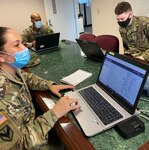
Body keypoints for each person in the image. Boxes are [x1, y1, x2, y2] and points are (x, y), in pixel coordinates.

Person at [0, 26, 80, 149]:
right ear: (1, 55)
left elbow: (26, 77)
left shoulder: (10, 69)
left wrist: (49, 85)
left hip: (34, 124)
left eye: (21, 42)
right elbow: (18, 145)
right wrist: (54, 113)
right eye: (16, 45)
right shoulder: (2, 98)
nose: (24, 48)